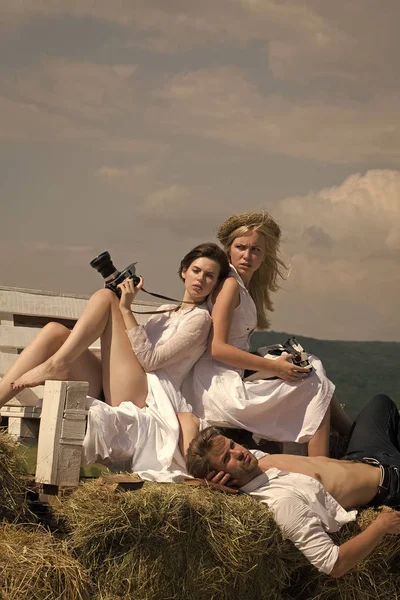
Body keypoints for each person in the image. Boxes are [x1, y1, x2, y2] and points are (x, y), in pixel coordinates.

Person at [0, 244, 229, 464]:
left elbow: (150, 361)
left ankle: (57, 363)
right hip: (123, 383)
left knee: (105, 297)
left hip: (148, 395)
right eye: (196, 270)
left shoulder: (200, 319)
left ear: (216, 283)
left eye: (209, 276)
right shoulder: (163, 312)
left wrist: (125, 309)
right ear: (184, 271)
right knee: (54, 331)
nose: (200, 279)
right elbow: (130, 349)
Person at [183, 211, 352, 456]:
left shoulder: (243, 284)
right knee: (312, 382)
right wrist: (274, 367)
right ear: (228, 249)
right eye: (241, 247)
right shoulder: (230, 285)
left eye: (256, 250)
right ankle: (325, 460)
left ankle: (348, 435)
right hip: (217, 382)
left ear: (264, 257)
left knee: (310, 366)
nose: (247, 255)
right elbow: (217, 348)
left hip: (230, 370)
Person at [184, 393, 400, 578]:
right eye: (226, 459)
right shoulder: (282, 502)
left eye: (232, 445)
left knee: (380, 403)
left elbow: (187, 419)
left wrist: (203, 482)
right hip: (390, 485)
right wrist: (380, 526)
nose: (239, 452)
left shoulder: (257, 461)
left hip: (365, 456)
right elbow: (333, 564)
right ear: (220, 474)